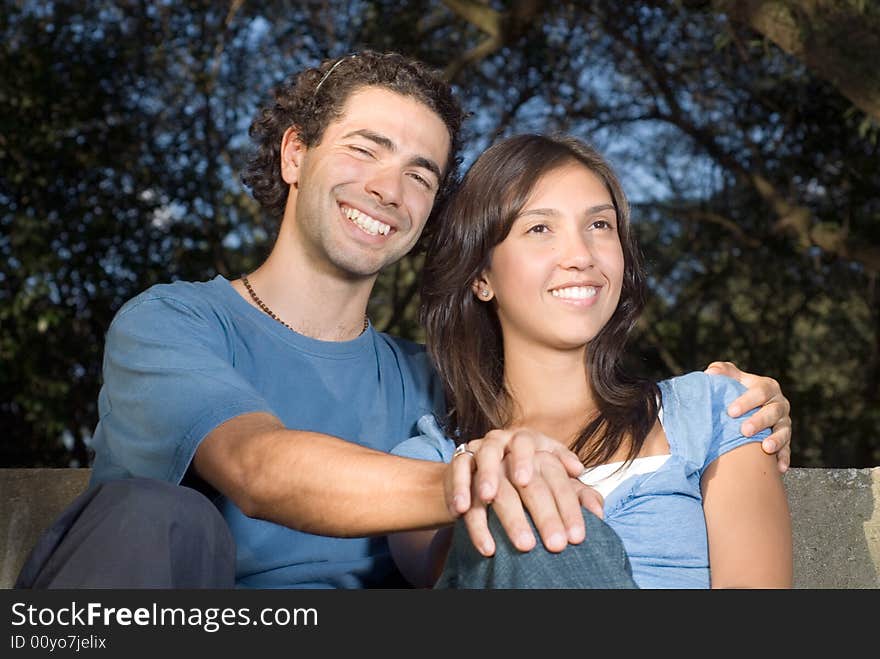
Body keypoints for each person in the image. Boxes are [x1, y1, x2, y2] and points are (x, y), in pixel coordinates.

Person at [16, 53, 792, 590]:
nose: (389, 187)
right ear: (295, 154)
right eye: (366, 149)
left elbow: (551, 397)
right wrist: (471, 479)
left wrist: (734, 405)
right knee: (157, 512)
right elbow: (258, 467)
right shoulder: (172, 323)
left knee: (527, 524)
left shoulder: (438, 386)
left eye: (420, 173)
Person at [389, 134, 792, 588]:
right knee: (519, 512)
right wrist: (493, 482)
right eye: (539, 228)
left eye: (600, 226)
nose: (581, 256)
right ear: (482, 277)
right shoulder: (432, 462)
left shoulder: (716, 410)